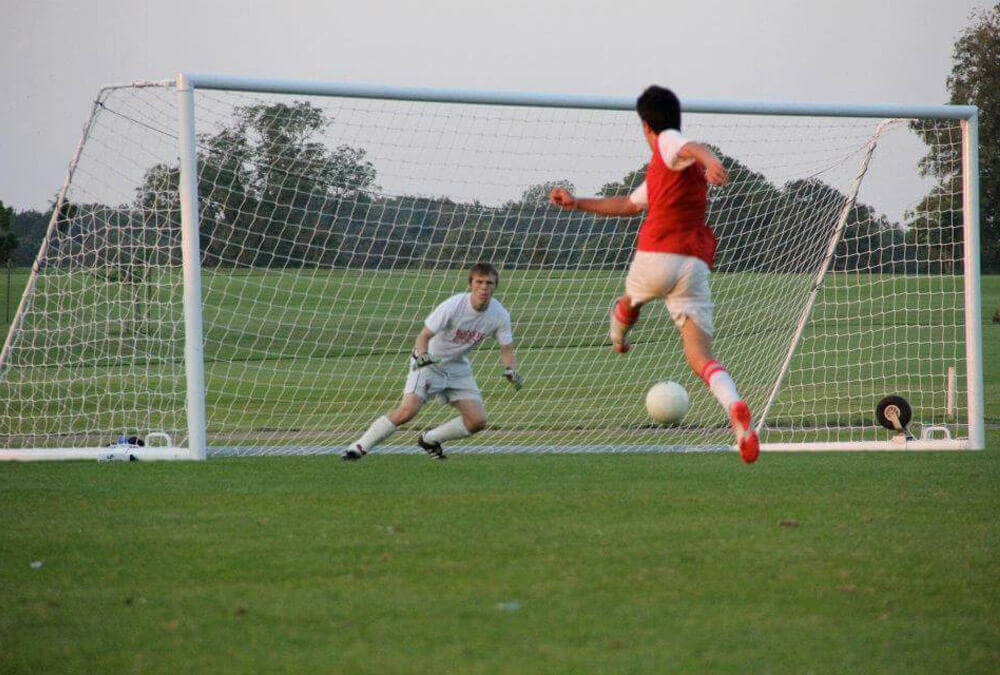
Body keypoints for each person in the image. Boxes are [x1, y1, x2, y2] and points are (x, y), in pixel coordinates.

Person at [549, 85, 759, 463]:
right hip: (692, 263)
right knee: (700, 356)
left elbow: (689, 146)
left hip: (657, 253)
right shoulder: (669, 170)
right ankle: (736, 410)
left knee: (630, 301)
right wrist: (577, 202)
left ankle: (618, 333)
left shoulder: (667, 143)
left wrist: (710, 159)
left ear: (646, 126)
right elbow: (629, 204)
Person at [343, 262, 522, 461]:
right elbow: (423, 337)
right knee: (407, 411)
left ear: (495, 287)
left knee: (477, 421)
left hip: (457, 367)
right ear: (470, 284)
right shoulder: (453, 306)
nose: (484, 287)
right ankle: (358, 447)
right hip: (429, 361)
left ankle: (429, 439)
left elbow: (506, 348)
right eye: (479, 282)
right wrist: (423, 360)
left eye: (489, 283)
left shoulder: (500, 314)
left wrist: (510, 370)